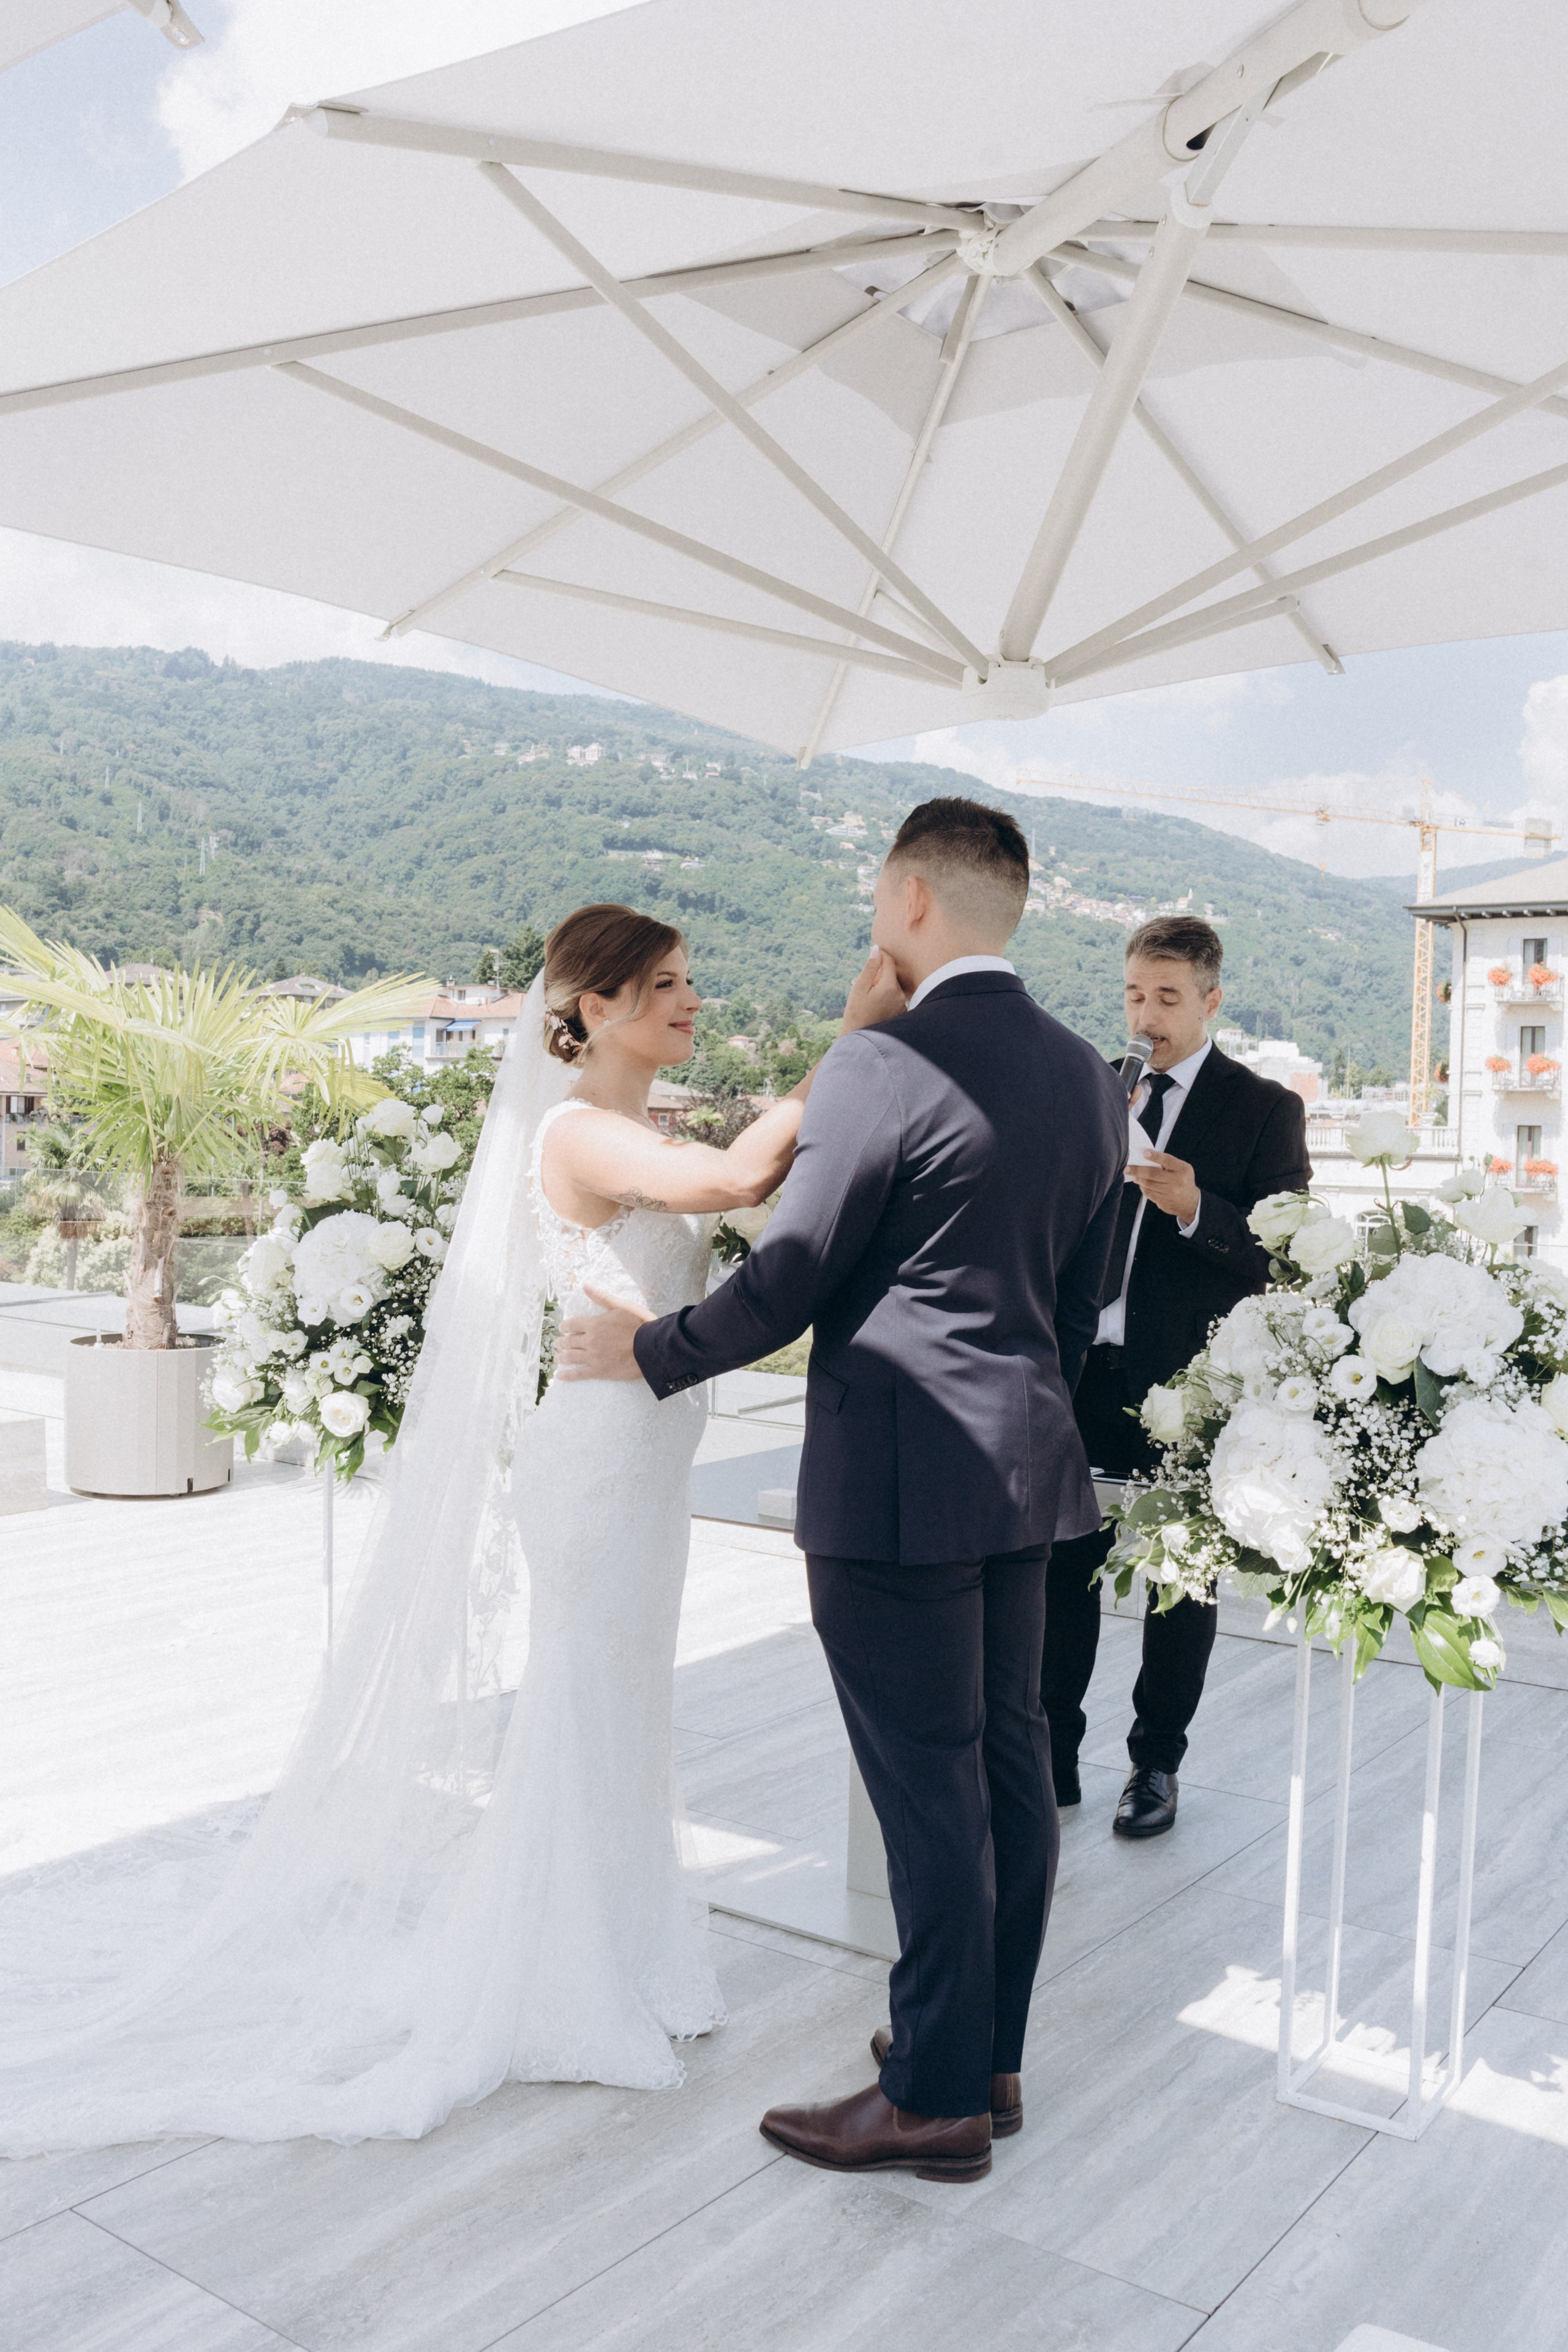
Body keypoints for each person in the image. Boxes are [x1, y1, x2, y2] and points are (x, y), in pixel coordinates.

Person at [0, 902, 891, 2150]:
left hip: (642, 1458)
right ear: (591, 1007)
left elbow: (753, 1207)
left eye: (693, 981)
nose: (696, 1002)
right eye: (668, 984)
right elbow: (748, 1176)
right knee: (585, 1711)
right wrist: (850, 1041)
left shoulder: (638, 1128)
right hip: (593, 1466)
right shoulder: (580, 1133)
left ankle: (623, 1955)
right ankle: (561, 1978)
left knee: (624, 1715)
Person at [559, 799, 1127, 2186]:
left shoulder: (883, 1061)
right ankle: (982, 2056)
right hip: (1027, 1473)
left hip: (896, 1481)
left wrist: (649, 1352)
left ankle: (930, 2098)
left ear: (910, 900)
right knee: (1003, 1771)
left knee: (926, 1789)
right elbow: (1082, 1294)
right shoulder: (1083, 1073)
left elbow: (791, 1275)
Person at [1039, 914, 1313, 1840]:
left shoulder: (1264, 1108)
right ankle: (1052, 1755)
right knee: (1059, 1567)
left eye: (1166, 998)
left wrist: (1199, 1210)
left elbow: (1290, 1253)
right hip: (1078, 1366)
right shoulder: (1092, 1088)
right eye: (1133, 995)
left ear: (1210, 1000)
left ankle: (1155, 1765)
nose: (1146, 1015)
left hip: (1188, 1384)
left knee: (1179, 1581)